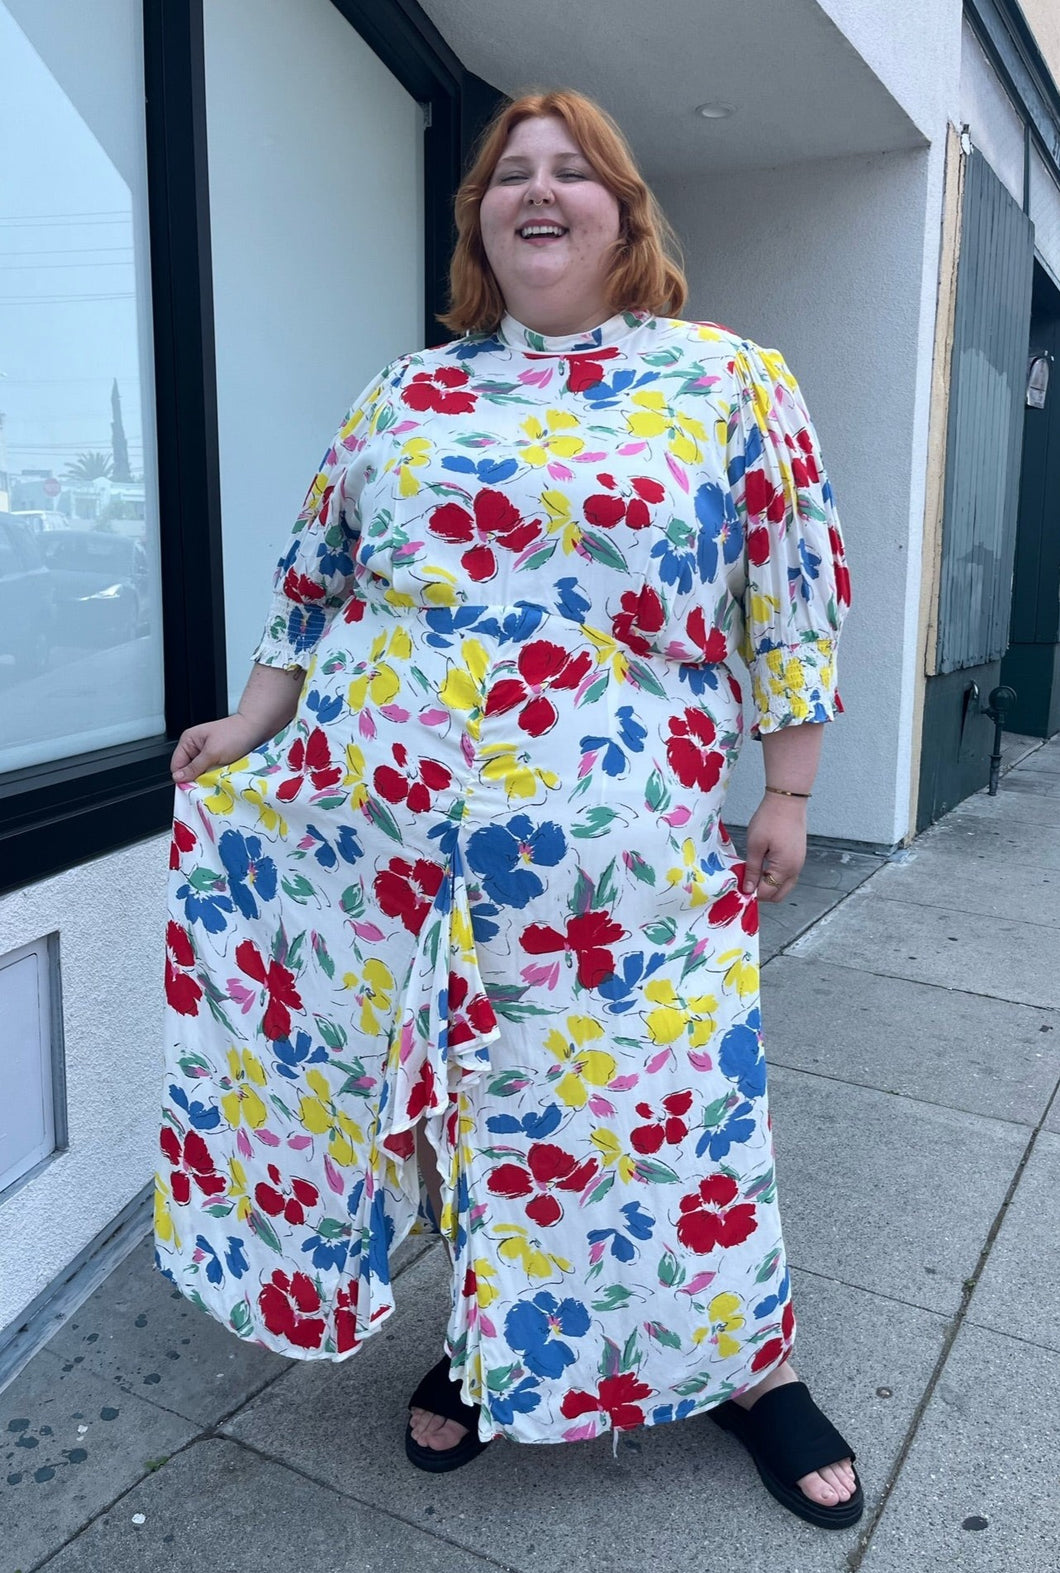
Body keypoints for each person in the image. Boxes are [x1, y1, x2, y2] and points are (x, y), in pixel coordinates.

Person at [158, 89, 859, 1528]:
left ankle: (748, 1367)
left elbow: (788, 589)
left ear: (625, 212)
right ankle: (493, 1351)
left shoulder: (722, 379)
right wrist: (254, 722)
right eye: (509, 176)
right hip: (411, 854)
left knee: (676, 1114)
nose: (538, 194)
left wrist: (787, 788)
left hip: (632, 853)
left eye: (573, 173)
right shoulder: (405, 396)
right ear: (479, 219)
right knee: (477, 1121)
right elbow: (317, 575)